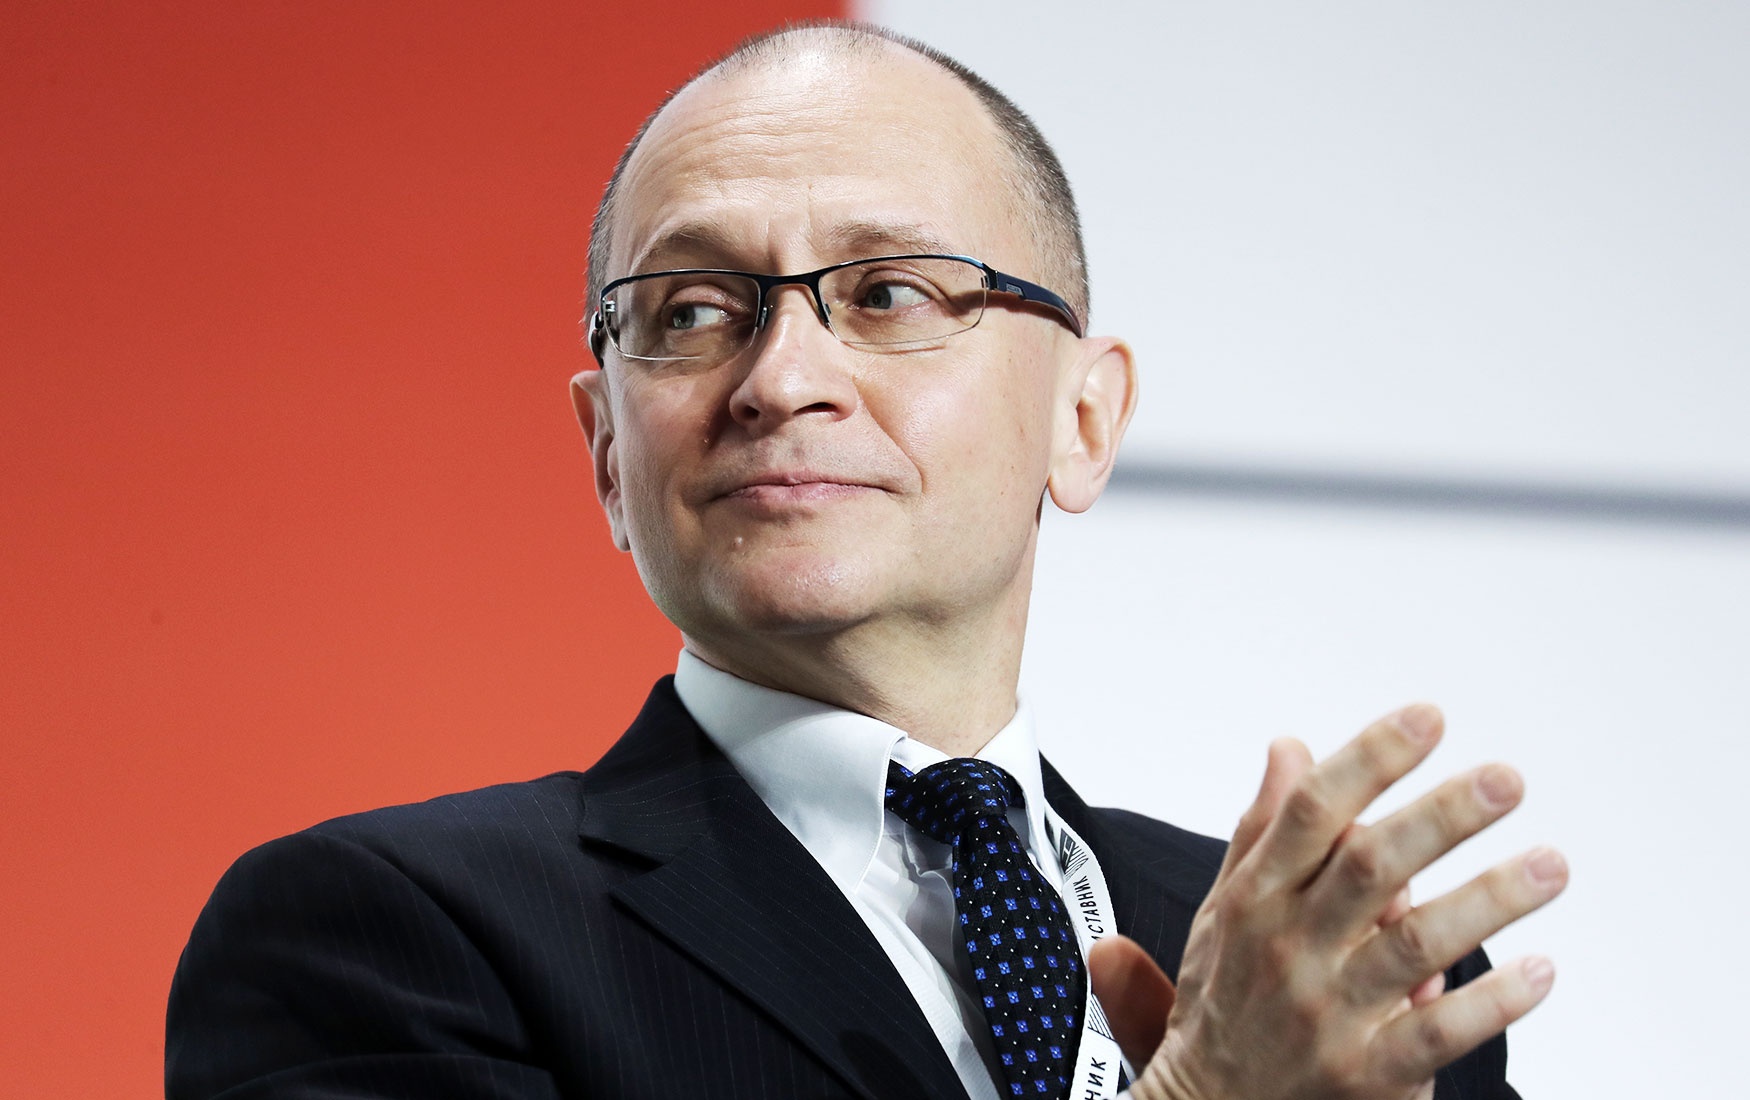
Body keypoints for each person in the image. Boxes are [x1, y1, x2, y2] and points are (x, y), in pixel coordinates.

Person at [166, 21, 1567, 1100]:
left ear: (1083, 422)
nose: (781, 379)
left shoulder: (1330, 976)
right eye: (691, 310)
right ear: (606, 452)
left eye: (888, 292)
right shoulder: (387, 937)